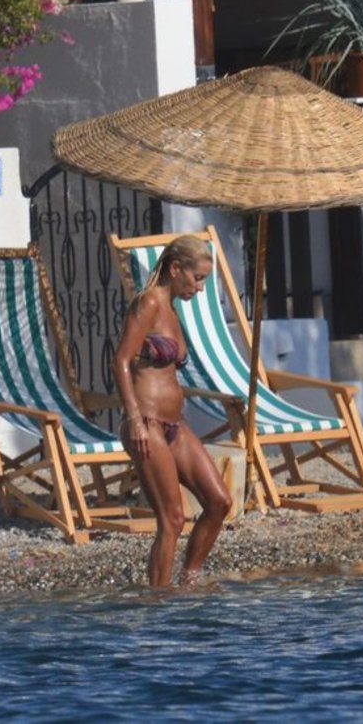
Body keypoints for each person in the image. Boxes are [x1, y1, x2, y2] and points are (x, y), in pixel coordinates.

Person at [113, 234, 232, 587]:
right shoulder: (148, 302)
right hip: (146, 422)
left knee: (219, 502)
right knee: (172, 519)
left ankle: (189, 581)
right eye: (198, 278)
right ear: (176, 268)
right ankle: (159, 601)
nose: (201, 288)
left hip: (174, 425)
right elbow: (121, 361)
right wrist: (133, 418)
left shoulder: (174, 311)